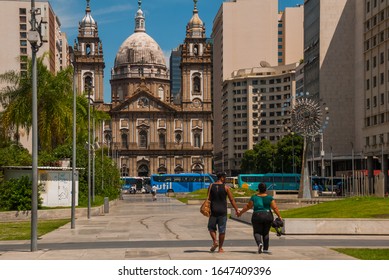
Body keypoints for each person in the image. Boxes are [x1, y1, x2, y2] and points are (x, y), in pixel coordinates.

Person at [237, 182, 282, 254]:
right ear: (266, 189)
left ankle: (259, 243)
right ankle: (265, 249)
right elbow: (275, 208)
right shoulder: (270, 198)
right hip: (268, 215)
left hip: (257, 215)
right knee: (266, 232)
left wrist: (240, 213)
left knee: (257, 232)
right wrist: (279, 216)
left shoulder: (254, 197)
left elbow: (248, 206)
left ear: (258, 189)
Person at [207, 171, 239, 253]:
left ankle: (215, 241)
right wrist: (236, 209)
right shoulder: (226, 187)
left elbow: (208, 199)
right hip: (222, 212)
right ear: (221, 177)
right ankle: (220, 248)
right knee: (222, 230)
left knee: (211, 228)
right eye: (224, 177)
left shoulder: (211, 186)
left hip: (213, 211)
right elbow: (231, 200)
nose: (225, 179)